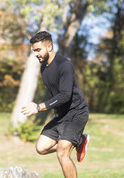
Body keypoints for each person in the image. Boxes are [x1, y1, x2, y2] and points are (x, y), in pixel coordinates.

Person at [21, 31, 90, 178]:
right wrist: (55, 112)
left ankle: (74, 141)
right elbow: (55, 93)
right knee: (41, 148)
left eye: (38, 50)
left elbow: (65, 95)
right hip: (61, 114)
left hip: (76, 113)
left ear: (50, 46)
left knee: (62, 153)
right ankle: (79, 141)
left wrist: (39, 107)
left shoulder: (65, 65)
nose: (36, 54)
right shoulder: (44, 68)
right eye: (34, 51)